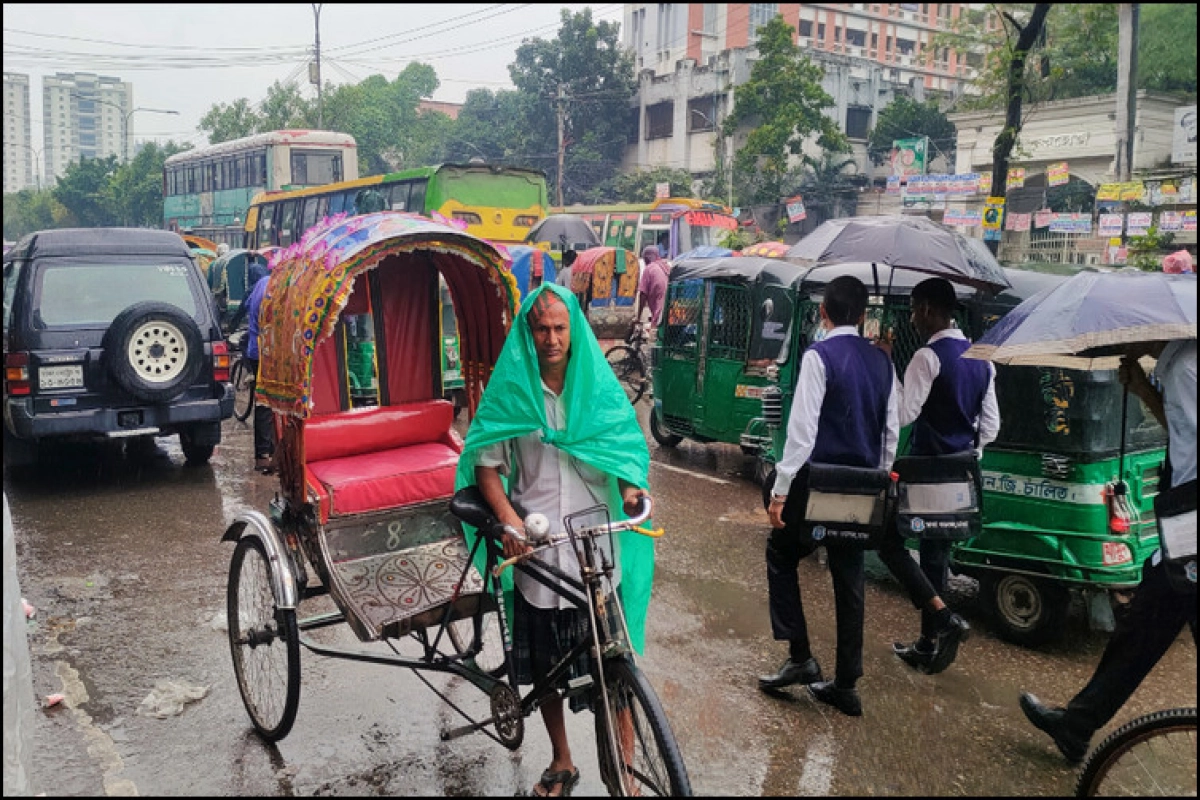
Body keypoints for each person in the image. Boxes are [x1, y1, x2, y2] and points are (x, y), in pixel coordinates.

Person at [455, 283, 654, 796]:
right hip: (539, 553)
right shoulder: (513, 391)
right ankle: (562, 759)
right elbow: (488, 464)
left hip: (596, 551)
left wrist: (631, 492)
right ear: (528, 332)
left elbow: (625, 451)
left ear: (574, 331)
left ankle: (627, 773)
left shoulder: (598, 387)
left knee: (616, 672)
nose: (551, 338)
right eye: (541, 328)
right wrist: (508, 521)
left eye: (560, 328)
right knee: (547, 674)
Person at [1019, 335, 1196, 763]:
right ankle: (1077, 725)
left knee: (1142, 629)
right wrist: (1143, 389)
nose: (1127, 338)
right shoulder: (1179, 363)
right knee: (1139, 631)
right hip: (1182, 535)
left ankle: (1077, 724)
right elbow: (1184, 433)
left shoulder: (1187, 366)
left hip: (1191, 532)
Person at [759, 275, 898, 718]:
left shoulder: (819, 357)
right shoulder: (884, 364)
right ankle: (846, 683)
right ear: (862, 316)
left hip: (819, 481)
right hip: (863, 484)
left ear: (823, 313)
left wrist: (780, 493)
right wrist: (878, 480)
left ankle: (800, 655)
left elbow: (801, 434)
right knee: (849, 574)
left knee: (782, 554)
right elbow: (889, 434)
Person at [875, 277, 994, 673]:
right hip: (960, 471)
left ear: (927, 308)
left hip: (926, 472)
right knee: (935, 555)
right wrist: (965, 454)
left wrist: (888, 364)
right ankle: (929, 640)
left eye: (912, 309)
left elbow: (905, 413)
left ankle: (942, 624)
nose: (911, 318)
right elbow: (991, 426)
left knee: (890, 541)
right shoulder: (983, 357)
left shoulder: (927, 357)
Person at [240, 261, 276, 474]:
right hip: (265, 352)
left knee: (264, 401)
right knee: (265, 402)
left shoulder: (257, 288)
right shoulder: (268, 287)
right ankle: (263, 453)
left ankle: (266, 451)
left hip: (256, 351)